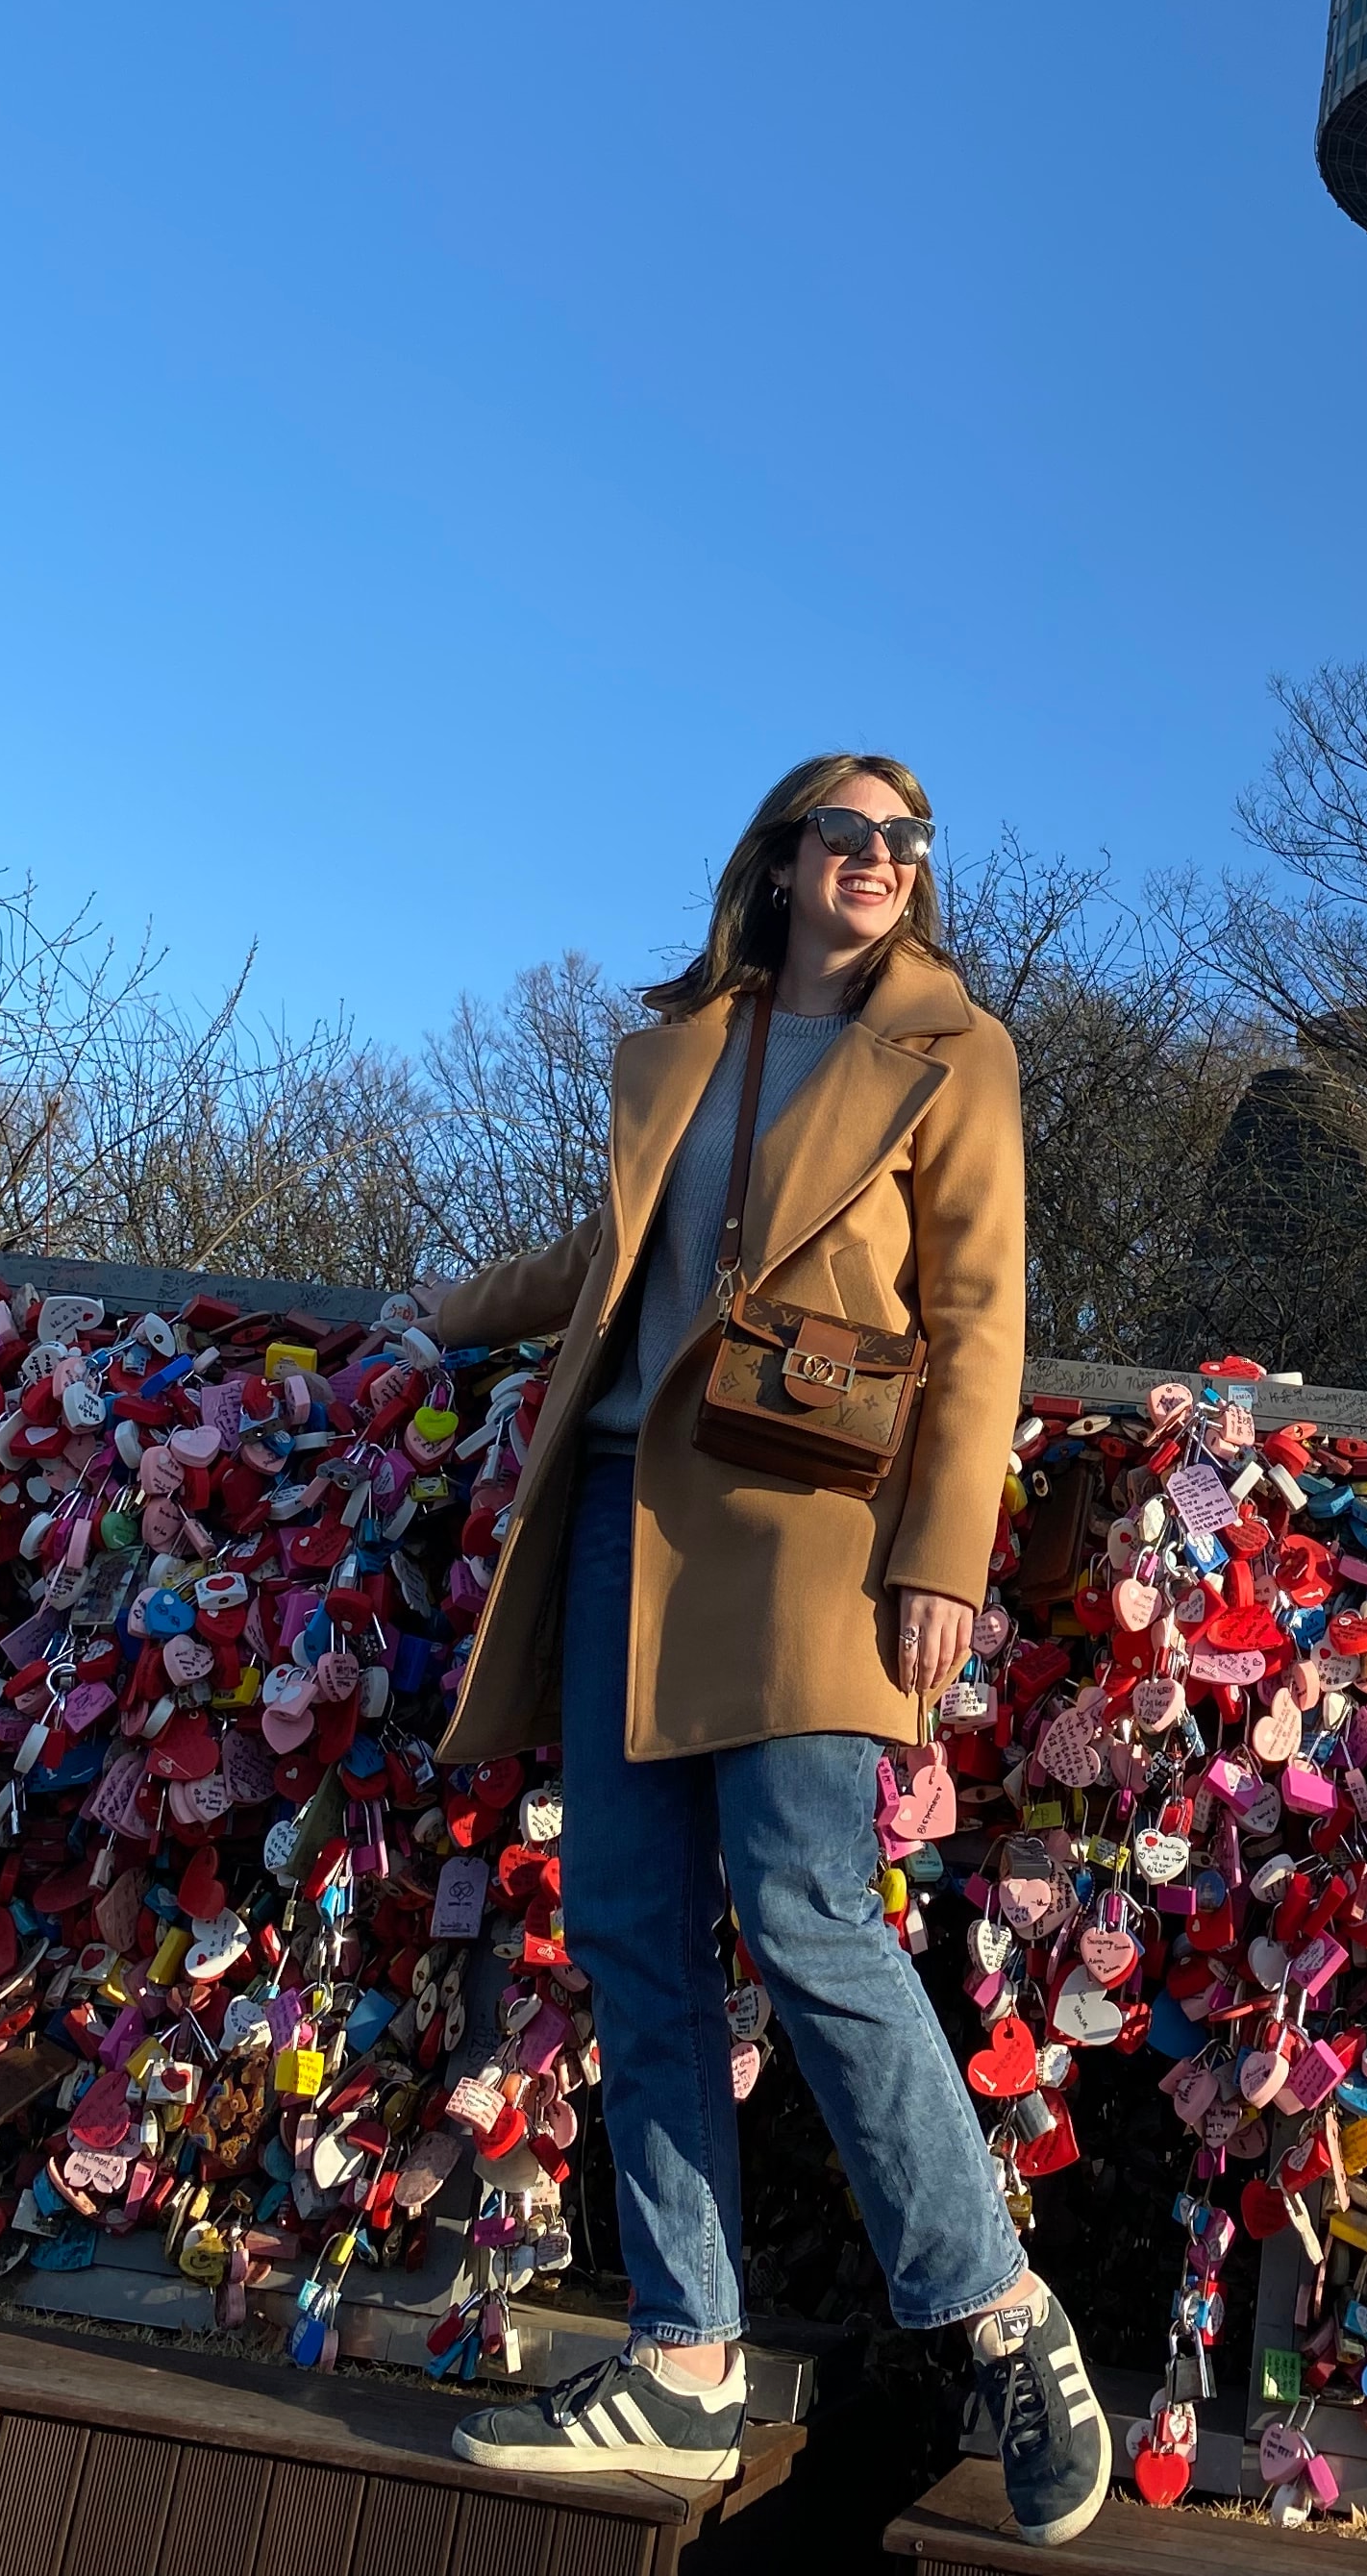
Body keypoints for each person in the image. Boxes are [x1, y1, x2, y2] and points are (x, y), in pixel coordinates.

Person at [429, 754, 1109, 2545]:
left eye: (907, 840)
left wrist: (945, 1548)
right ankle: (685, 2363)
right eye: (849, 831)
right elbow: (621, 1252)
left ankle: (996, 2317)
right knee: (635, 1936)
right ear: (782, 858)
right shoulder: (691, 1044)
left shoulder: (955, 1052)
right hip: (621, 1519)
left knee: (809, 1916)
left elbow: (980, 1314)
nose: (879, 858)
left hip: (814, 1525)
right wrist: (451, 1308)